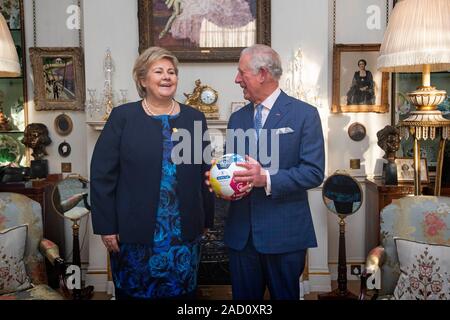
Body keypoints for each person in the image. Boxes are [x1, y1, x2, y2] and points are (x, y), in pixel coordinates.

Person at [90, 46, 215, 300]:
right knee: (136, 293)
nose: (167, 76)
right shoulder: (123, 117)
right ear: (142, 79)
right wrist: (106, 226)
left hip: (183, 233)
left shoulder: (194, 118)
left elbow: (204, 172)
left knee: (182, 295)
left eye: (171, 72)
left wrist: (205, 219)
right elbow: (102, 175)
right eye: (159, 71)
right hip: (133, 233)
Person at [207, 44, 325, 300]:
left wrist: (266, 179)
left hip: (285, 236)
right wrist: (219, 180)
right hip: (241, 237)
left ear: (262, 74)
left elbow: (314, 172)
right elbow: (233, 166)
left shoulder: (305, 115)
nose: (237, 79)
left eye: (241, 73)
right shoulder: (237, 119)